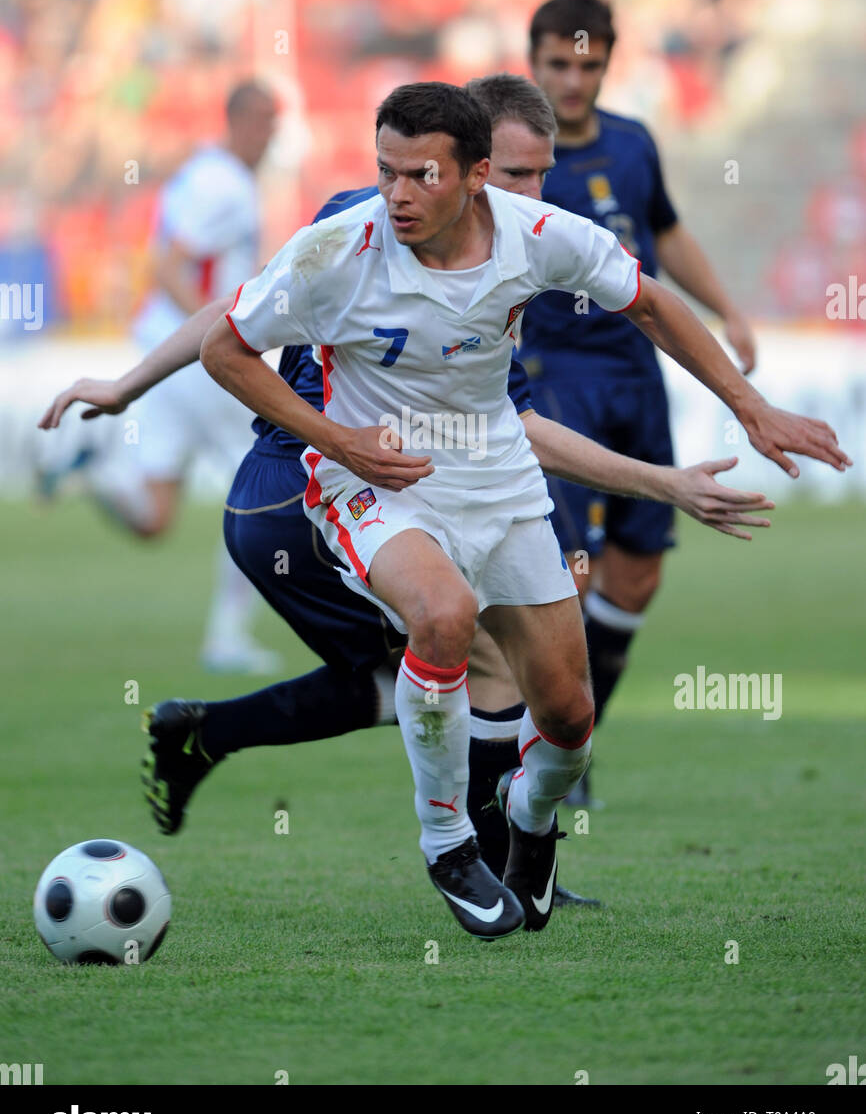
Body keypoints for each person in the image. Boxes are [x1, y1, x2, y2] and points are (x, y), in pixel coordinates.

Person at [38, 77, 776, 912]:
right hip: (302, 474)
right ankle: (472, 855)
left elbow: (509, 422)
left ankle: (209, 735)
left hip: (420, 469)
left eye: (540, 177)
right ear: (469, 163)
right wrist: (130, 385)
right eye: (518, 176)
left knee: (459, 681)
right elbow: (234, 317)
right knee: (456, 652)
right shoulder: (365, 223)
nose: (531, 196)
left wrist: (669, 479)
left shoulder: (518, 252)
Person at [198, 81, 849, 938]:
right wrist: (340, 440)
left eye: (419, 175)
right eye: (386, 171)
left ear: (475, 177)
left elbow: (650, 302)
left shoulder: (536, 238)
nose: (396, 194)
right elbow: (224, 347)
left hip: (498, 481)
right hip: (371, 482)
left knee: (569, 719)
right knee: (443, 616)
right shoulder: (337, 249)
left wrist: (751, 407)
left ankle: (532, 822)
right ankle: (449, 845)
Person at [524, 0, 759, 805]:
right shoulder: (513, 159)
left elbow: (666, 234)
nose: (575, 79)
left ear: (607, 64)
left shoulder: (632, 144)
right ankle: (542, 754)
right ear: (534, 61)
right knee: (569, 579)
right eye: (559, 64)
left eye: (589, 64)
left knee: (636, 580)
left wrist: (727, 309)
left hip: (638, 372)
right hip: (555, 378)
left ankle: (574, 742)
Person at [42, 80, 281, 675]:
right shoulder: (224, 183)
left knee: (153, 518)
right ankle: (227, 637)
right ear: (247, 120)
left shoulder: (199, 171)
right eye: (270, 122)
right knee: (262, 487)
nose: (274, 135)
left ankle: (96, 470)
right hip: (198, 358)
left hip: (160, 350)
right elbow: (171, 266)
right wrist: (214, 332)